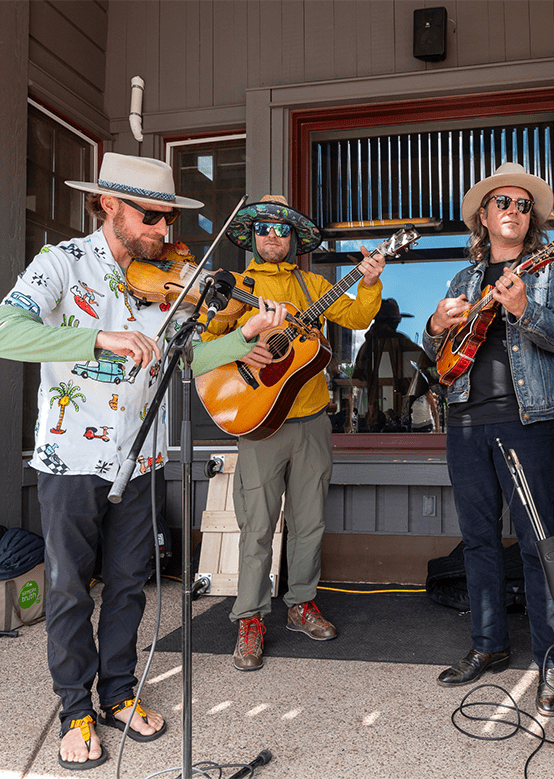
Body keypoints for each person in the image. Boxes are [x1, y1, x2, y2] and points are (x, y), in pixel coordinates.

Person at [0, 153, 286, 770]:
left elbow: (183, 358)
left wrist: (241, 342)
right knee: (70, 587)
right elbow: (6, 331)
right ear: (109, 205)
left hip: (144, 458)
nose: (163, 230)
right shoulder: (60, 264)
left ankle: (118, 692)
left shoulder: (167, 283)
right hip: (71, 456)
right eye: (151, 216)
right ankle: (74, 709)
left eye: (168, 218)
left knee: (130, 583)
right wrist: (95, 337)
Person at [202, 195, 385, 671]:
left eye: (282, 230)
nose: (272, 236)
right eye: (263, 228)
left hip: (311, 420)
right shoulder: (237, 285)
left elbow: (357, 318)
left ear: (294, 239)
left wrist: (369, 281)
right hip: (259, 419)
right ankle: (249, 618)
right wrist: (241, 345)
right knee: (257, 526)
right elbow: (206, 343)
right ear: (252, 235)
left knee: (309, 522)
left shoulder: (314, 284)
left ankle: (301, 604)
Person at [422, 162, 554, 716]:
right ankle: (488, 643)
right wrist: (435, 323)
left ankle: (550, 660)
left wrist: (525, 309)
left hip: (529, 421)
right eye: (503, 201)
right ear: (484, 214)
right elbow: (435, 352)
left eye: (524, 205)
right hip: (465, 422)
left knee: (539, 544)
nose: (514, 211)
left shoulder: (546, 270)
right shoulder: (463, 279)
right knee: (478, 540)